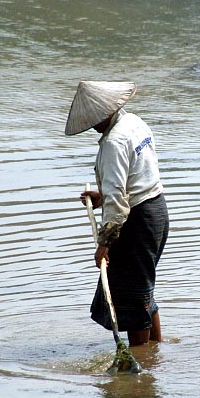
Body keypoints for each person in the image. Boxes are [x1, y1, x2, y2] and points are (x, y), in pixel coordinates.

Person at [65, 81, 169, 346]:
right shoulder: (135, 123)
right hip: (156, 210)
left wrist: (104, 242)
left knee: (134, 297)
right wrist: (104, 196)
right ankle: (155, 348)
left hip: (137, 222)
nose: (93, 126)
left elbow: (119, 205)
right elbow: (138, 175)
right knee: (143, 287)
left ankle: (140, 362)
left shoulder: (114, 142)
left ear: (105, 113)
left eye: (94, 121)